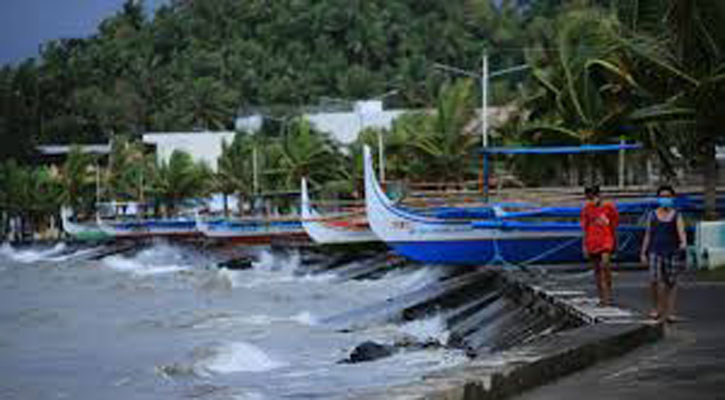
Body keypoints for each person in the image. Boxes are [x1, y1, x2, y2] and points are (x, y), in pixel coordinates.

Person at [640, 185, 687, 323]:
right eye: (662, 196)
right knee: (654, 280)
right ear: (658, 198)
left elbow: (681, 232)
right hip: (655, 250)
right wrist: (643, 252)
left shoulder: (677, 215)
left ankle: (670, 312)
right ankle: (656, 308)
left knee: (671, 282)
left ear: (672, 198)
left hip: (672, 251)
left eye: (667, 196)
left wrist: (683, 243)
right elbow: (648, 234)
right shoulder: (652, 215)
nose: (665, 199)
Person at [581, 185, 619, 306]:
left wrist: (614, 240)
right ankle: (601, 297)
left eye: (593, 196)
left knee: (605, 265)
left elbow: (614, 224)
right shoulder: (587, 209)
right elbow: (585, 228)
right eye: (589, 197)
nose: (592, 200)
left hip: (606, 239)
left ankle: (608, 294)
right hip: (592, 240)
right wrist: (585, 245)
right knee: (597, 269)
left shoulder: (609, 207)